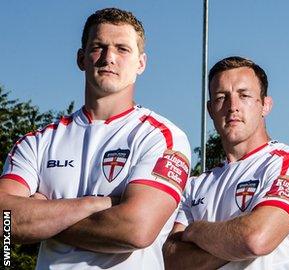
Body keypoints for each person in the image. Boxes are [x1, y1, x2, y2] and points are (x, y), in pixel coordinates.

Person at [0, 7, 191, 269]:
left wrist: (41, 220)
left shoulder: (161, 137)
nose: (109, 57)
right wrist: (97, 204)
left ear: (141, 63)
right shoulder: (37, 142)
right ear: (81, 58)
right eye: (98, 47)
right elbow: (4, 224)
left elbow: (137, 230)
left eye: (122, 49)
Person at [163, 56, 289, 269]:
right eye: (221, 97)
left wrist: (194, 231)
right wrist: (233, 243)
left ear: (265, 105)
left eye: (244, 95)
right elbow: (171, 260)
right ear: (210, 110)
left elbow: (256, 239)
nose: (232, 106)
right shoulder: (195, 185)